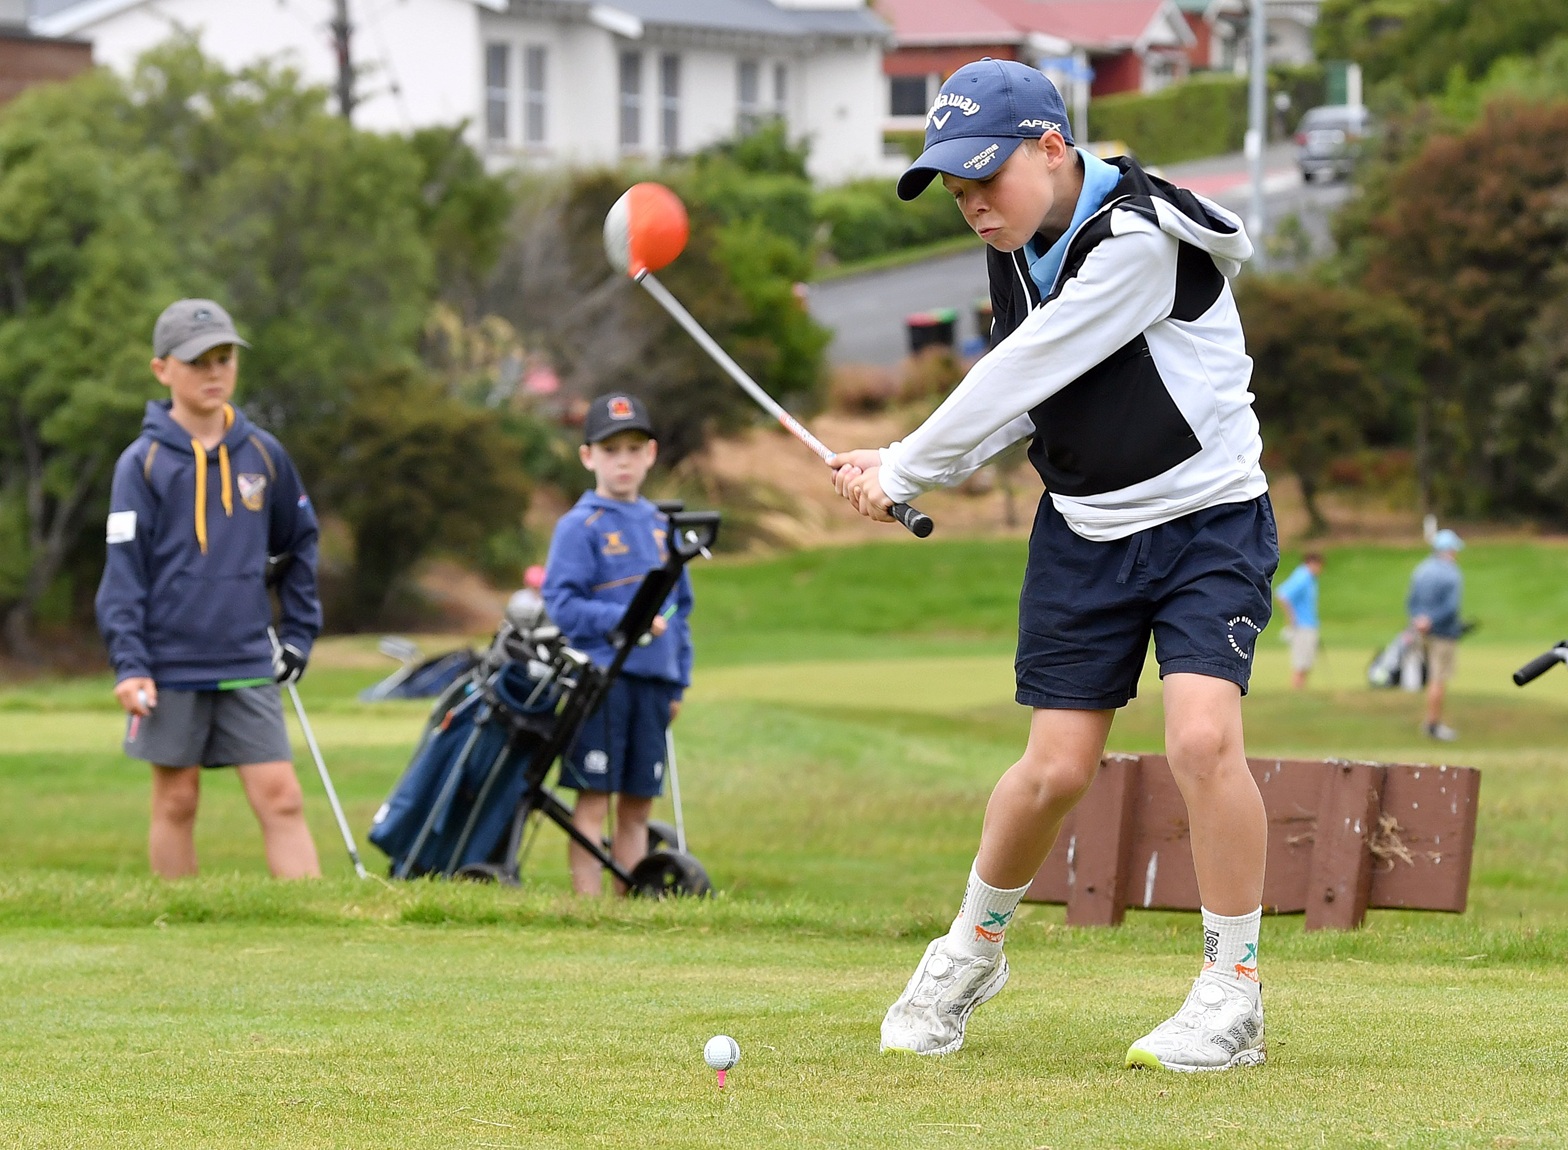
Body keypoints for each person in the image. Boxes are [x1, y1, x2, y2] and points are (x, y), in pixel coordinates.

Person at [830, 59, 1277, 1072]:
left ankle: (1231, 990)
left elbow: (1030, 367)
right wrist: (896, 462)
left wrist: (906, 466)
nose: (972, 206)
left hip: (1207, 520)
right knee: (1053, 769)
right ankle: (969, 950)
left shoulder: (1137, 240)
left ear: (1050, 147)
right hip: (1082, 530)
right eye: (954, 193)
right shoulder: (1018, 242)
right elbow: (1026, 399)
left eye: (984, 179)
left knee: (1201, 740)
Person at [95, 299, 323, 879]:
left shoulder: (265, 454)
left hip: (247, 654)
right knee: (177, 800)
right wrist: (129, 664)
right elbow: (123, 574)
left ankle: (315, 932)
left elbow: (299, 545)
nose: (215, 372)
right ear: (162, 369)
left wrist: (298, 635)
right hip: (168, 662)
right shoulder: (140, 464)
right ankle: (179, 925)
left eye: (224, 358)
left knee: (282, 796)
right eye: (198, 361)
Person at [542, 393, 693, 896]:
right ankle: (588, 909)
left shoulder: (662, 527)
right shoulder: (579, 526)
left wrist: (679, 680)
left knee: (637, 804)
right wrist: (628, 620)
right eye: (610, 450)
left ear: (650, 454)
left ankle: (629, 908)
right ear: (589, 457)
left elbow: (682, 611)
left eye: (633, 448)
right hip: (603, 683)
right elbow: (562, 605)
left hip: (653, 684)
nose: (623, 461)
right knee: (593, 799)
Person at [1407, 529, 1464, 741]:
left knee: (1430, 676)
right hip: (1442, 633)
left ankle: (1431, 722)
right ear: (1447, 549)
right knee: (1437, 680)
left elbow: (1411, 601)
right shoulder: (1451, 573)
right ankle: (1432, 724)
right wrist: (1431, 621)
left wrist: (1418, 620)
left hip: (1421, 632)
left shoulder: (1421, 570)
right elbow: (1451, 607)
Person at [1275, 552, 1324, 689]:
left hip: (1308, 625)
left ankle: (1301, 691)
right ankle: (1297, 692)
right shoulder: (1302, 576)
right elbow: (1283, 595)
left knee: (1306, 663)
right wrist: (1291, 618)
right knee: (1300, 664)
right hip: (1302, 626)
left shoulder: (1309, 578)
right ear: (1312, 563)